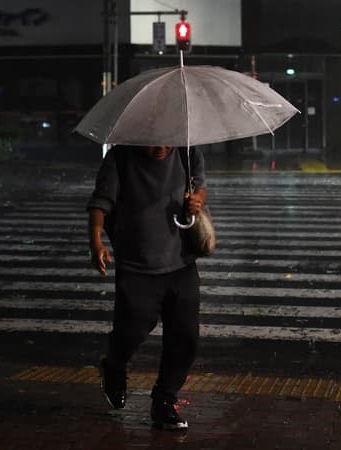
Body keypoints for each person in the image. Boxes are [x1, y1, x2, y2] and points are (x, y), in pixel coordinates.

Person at [87, 144, 207, 430]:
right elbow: (101, 202)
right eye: (152, 140)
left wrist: (197, 200)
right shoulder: (120, 156)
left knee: (185, 338)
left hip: (181, 264)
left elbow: (200, 187)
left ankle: (164, 400)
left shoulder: (188, 153)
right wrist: (96, 243)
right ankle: (114, 365)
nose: (159, 147)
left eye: (166, 140)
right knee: (131, 331)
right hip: (137, 265)